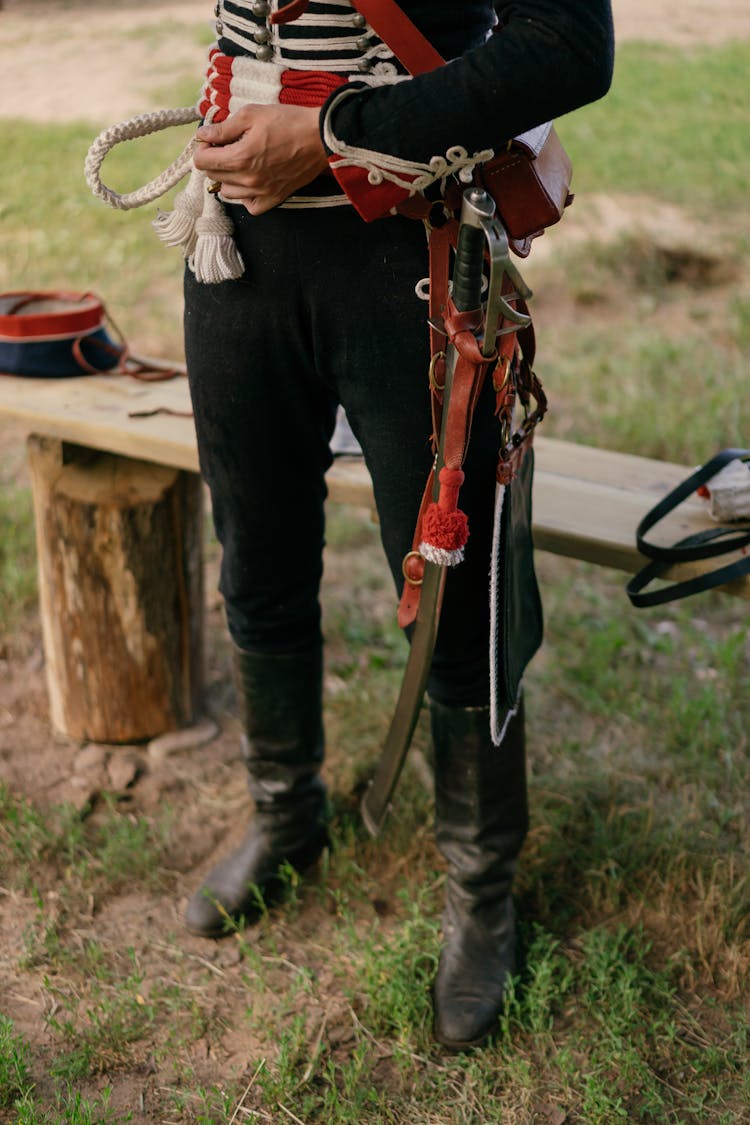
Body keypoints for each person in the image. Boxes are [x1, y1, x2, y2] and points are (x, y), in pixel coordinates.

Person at [179, 0, 614, 1050]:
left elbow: (569, 46)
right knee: (258, 554)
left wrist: (329, 133)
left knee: (456, 594)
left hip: (412, 249)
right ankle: (288, 813)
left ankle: (480, 888)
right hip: (235, 246)